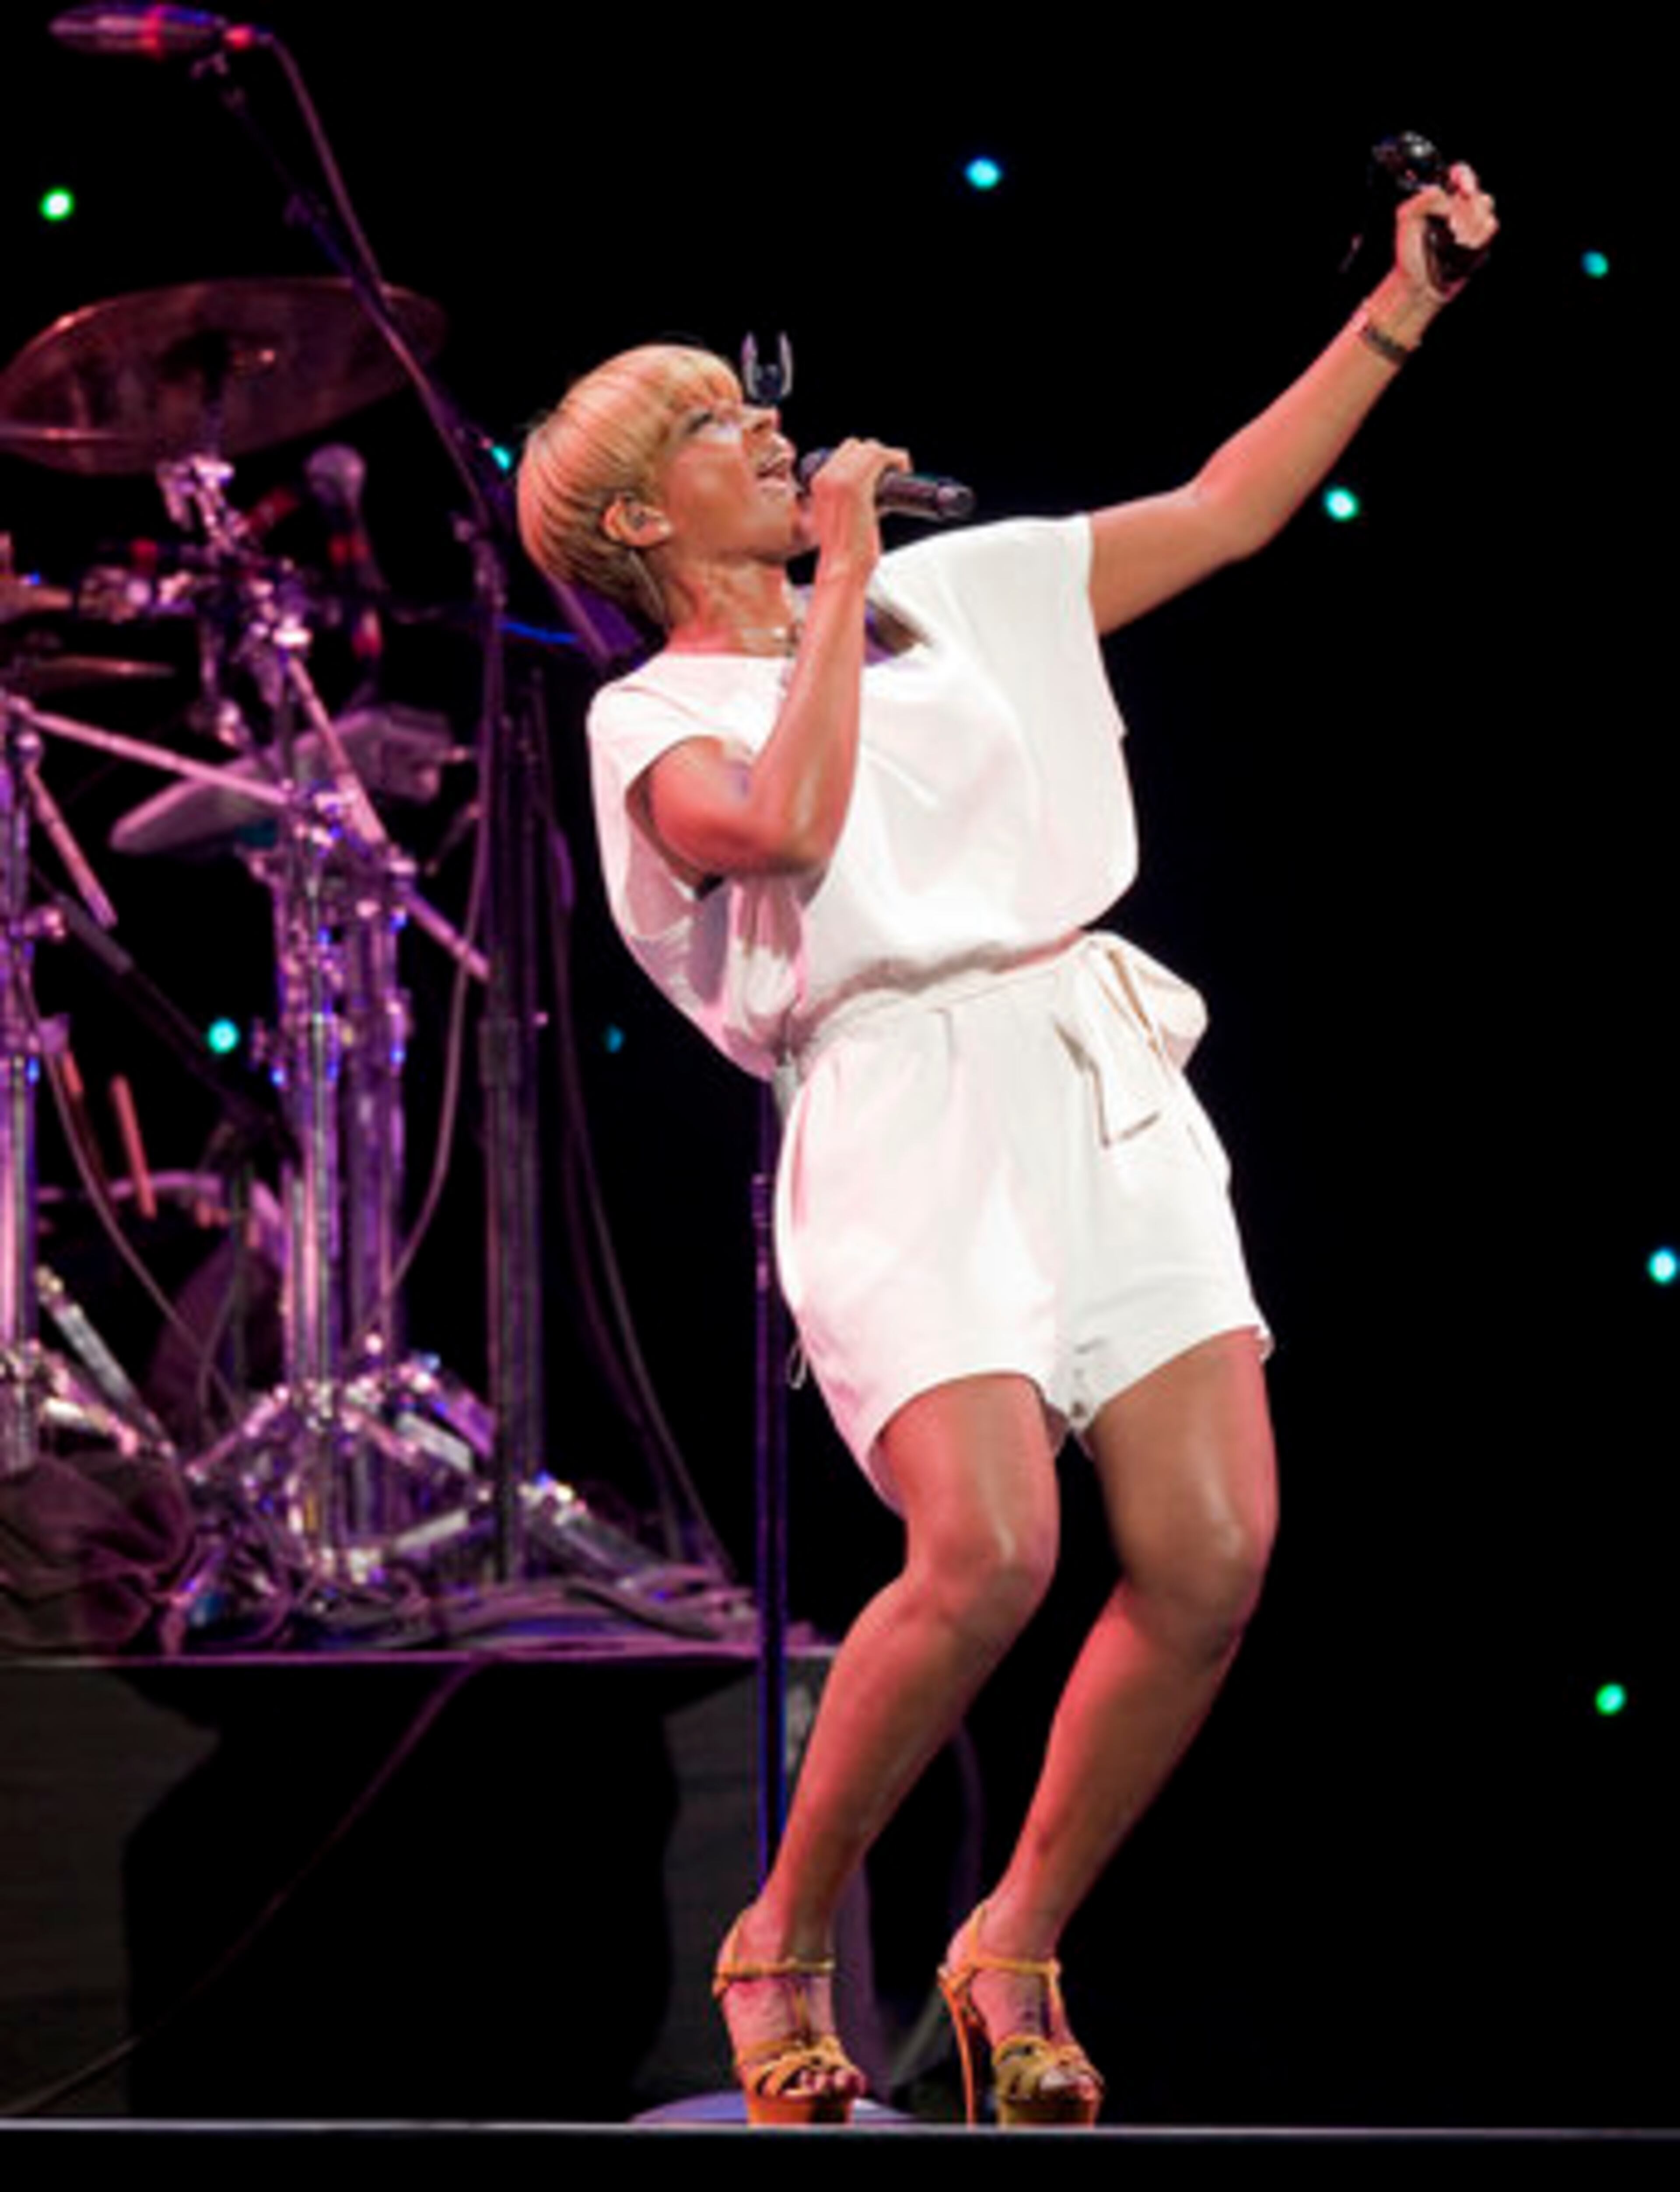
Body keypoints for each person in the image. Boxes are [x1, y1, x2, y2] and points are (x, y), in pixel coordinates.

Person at [516, 163, 1497, 2127]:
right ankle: (780, 1932)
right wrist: (833, 569)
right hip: (898, 1100)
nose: (767, 430)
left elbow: (1223, 510)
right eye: (717, 426)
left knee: (1214, 1552)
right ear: (644, 519)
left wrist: (1404, 308)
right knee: (989, 1548)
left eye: (752, 403)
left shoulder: (947, 599)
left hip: (1093, 1061)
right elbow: (787, 830)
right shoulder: (652, 717)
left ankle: (1014, 1934)